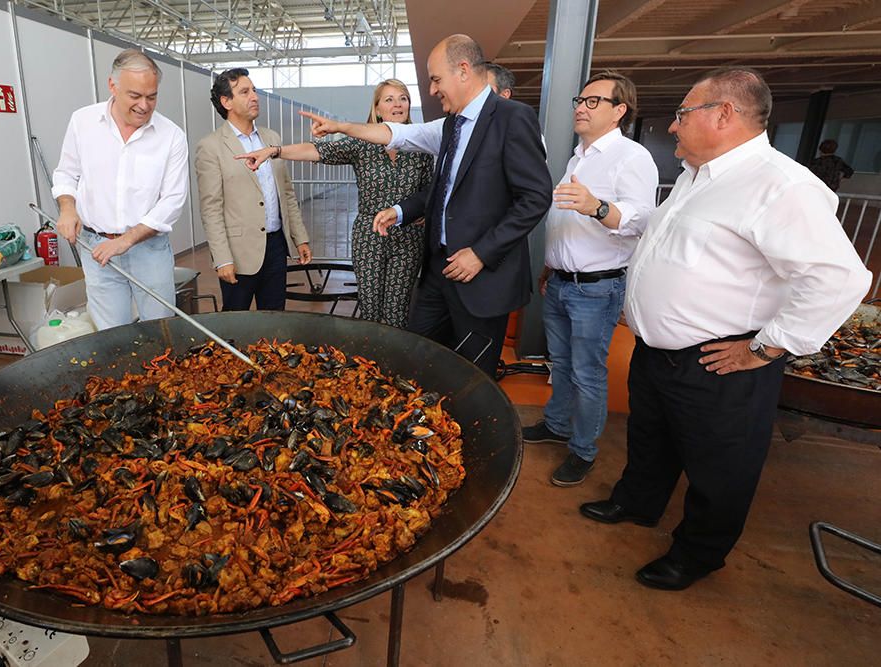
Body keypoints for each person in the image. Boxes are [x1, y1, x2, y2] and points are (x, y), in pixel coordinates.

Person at [580, 68, 872, 591]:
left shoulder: (780, 185)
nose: (672, 127)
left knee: (720, 467)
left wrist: (765, 349)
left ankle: (698, 553)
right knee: (650, 441)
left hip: (719, 361)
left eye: (682, 114)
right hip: (656, 354)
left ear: (724, 114)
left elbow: (839, 278)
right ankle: (638, 503)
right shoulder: (698, 175)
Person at [299, 35, 552, 377]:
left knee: (474, 375)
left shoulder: (513, 118)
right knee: (415, 356)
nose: (432, 90)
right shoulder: (452, 125)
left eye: (436, 79)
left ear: (463, 71)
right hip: (439, 272)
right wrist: (342, 127)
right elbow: (403, 140)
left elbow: (535, 197)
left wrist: (480, 252)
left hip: (480, 276)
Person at [522, 71, 658, 487]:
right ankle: (557, 424)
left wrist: (598, 207)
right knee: (560, 363)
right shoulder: (577, 157)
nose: (581, 106)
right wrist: (551, 266)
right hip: (562, 281)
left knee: (587, 372)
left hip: (597, 287)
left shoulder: (632, 157)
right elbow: (565, 221)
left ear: (620, 111)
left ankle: (583, 449)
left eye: (594, 101)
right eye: (580, 99)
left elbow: (642, 219)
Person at [235, 79, 433, 328]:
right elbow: (317, 151)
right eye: (389, 99)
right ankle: (369, 362)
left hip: (408, 238)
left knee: (398, 310)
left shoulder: (419, 143)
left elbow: (430, 188)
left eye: (403, 98)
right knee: (370, 309)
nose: (397, 104)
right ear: (377, 108)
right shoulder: (362, 143)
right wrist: (274, 151)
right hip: (370, 237)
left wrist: (424, 210)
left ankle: (392, 362)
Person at [53, 49, 188, 330]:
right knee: (111, 335)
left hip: (149, 249)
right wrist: (68, 208)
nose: (144, 105)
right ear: (112, 86)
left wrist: (126, 240)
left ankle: (159, 375)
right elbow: (66, 173)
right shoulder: (83, 122)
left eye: (151, 97)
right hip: (97, 247)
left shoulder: (171, 136)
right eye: (135, 96)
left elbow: (172, 201)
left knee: (160, 331)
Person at [196, 68, 312, 311]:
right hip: (239, 254)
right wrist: (222, 259)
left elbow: (287, 194)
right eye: (244, 92)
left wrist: (300, 238)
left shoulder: (272, 139)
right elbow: (211, 209)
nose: (255, 97)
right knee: (235, 325)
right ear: (226, 101)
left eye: (254, 90)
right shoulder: (211, 147)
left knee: (274, 319)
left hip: (276, 247)